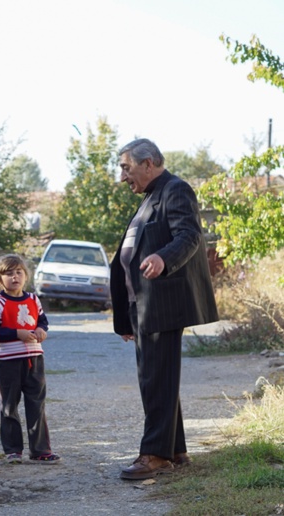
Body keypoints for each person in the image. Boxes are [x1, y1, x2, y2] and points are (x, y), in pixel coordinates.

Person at [111, 138, 219, 481]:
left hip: (163, 302)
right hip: (144, 304)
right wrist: (127, 315)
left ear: (149, 163)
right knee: (159, 377)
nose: (123, 177)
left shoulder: (175, 189)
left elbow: (189, 236)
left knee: (155, 379)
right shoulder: (149, 198)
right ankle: (174, 449)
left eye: (127, 168)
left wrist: (162, 258)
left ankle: (155, 455)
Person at [0, 254, 61, 465]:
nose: (14, 277)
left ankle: (40, 449)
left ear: (26, 276)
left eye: (19, 272)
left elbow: (43, 321)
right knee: (10, 405)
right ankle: (13, 450)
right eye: (9, 274)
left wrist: (41, 330)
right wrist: (17, 333)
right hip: (9, 362)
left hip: (34, 360)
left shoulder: (33, 299)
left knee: (37, 404)